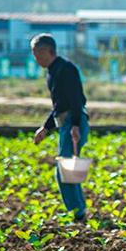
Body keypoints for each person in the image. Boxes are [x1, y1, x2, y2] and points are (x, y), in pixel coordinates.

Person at [30, 33, 89, 221]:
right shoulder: (52, 72)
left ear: (49, 51)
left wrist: (75, 125)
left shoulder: (66, 69)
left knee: (65, 171)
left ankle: (77, 214)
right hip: (66, 124)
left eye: (38, 54)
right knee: (68, 170)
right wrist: (45, 128)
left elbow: (76, 100)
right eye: (34, 54)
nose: (36, 59)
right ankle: (78, 212)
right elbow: (58, 106)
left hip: (73, 124)